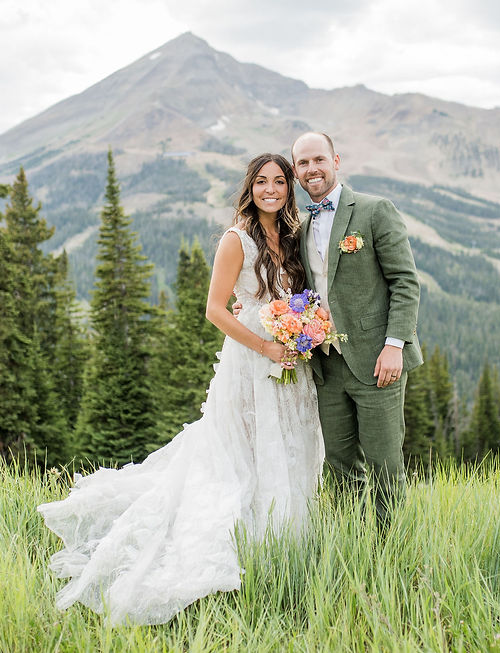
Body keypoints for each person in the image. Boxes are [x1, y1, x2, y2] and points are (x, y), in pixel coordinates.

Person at [37, 153, 324, 626]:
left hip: (290, 355)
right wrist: (264, 347)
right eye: (261, 182)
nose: (271, 189)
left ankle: (287, 536)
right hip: (251, 361)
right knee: (240, 452)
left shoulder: (291, 234)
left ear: (288, 188)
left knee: (288, 442)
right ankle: (242, 538)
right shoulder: (237, 239)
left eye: (279, 181)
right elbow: (215, 309)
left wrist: (302, 330)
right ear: (249, 188)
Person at [291, 131, 422, 525]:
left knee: (385, 465)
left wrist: (395, 344)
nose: (312, 169)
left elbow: (405, 282)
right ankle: (351, 546)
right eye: (303, 163)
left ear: (336, 160)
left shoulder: (374, 210)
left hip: (377, 361)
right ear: (296, 172)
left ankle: (392, 553)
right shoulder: (299, 228)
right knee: (340, 465)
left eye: (318, 159)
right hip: (327, 367)